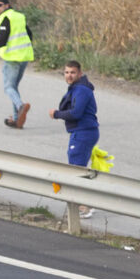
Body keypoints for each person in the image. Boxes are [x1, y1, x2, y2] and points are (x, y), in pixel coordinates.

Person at [49, 60, 99, 219]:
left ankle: (85, 207)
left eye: (73, 72)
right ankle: (84, 204)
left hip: (83, 133)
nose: (69, 75)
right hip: (81, 132)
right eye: (67, 72)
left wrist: (56, 114)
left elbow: (76, 113)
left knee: (77, 169)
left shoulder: (82, 90)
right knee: (77, 167)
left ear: (80, 73)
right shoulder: (78, 88)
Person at [0, 0, 34, 129]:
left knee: (8, 87)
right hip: (24, 57)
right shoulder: (19, 16)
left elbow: (2, 40)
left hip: (12, 58)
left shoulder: (5, 18)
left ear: (7, 5)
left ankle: (20, 106)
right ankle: (17, 119)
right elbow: (29, 34)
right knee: (14, 87)